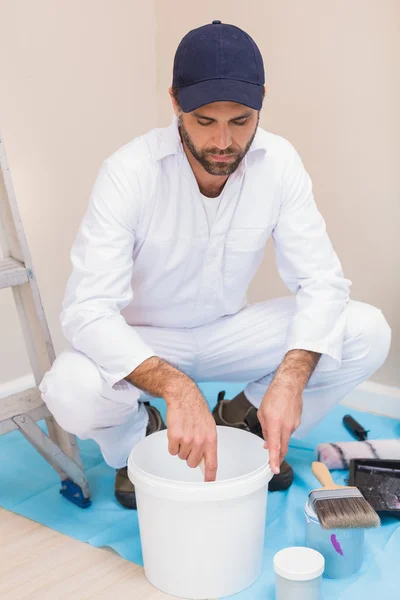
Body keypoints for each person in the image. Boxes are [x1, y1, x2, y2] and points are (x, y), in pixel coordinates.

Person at [40, 20, 391, 509]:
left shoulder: (281, 163)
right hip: (148, 343)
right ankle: (140, 441)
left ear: (262, 102)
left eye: (241, 120)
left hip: (229, 332)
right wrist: (176, 389)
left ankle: (244, 422)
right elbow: (87, 310)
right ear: (174, 101)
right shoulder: (128, 172)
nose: (223, 141)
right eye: (205, 121)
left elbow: (322, 282)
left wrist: (289, 381)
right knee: (68, 387)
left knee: (366, 329)